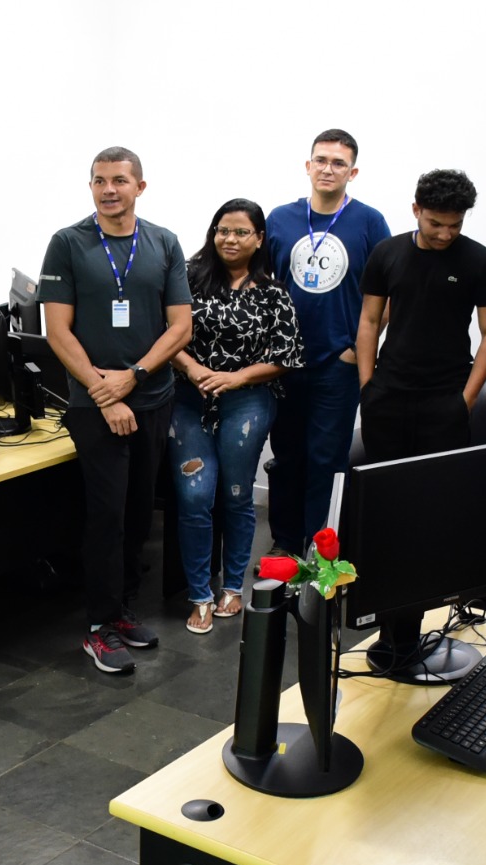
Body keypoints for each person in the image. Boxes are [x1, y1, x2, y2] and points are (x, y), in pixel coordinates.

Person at [39, 147, 192, 674]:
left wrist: (135, 377)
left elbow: (180, 327)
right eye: (100, 181)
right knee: (105, 514)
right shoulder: (68, 244)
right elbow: (56, 331)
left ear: (139, 187)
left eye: (120, 180)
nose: (109, 189)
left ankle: (123, 611)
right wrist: (106, 394)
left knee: (135, 512)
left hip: (152, 398)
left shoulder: (164, 243)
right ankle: (99, 626)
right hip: (94, 404)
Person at [169, 199, 303, 633]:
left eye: (241, 232)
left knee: (236, 494)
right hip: (189, 398)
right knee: (194, 496)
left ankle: (232, 587)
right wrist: (194, 370)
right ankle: (199, 594)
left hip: (247, 401)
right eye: (222, 230)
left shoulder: (272, 292)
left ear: (259, 239)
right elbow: (166, 333)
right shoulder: (187, 278)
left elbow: (286, 355)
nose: (230, 239)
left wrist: (235, 377)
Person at [264, 129, 391, 555]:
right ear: (308, 165)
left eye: (339, 163)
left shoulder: (370, 222)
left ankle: (321, 552)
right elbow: (261, 287)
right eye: (321, 160)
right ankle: (284, 543)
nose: (328, 169)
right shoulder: (280, 219)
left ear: (352, 172)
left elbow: (390, 291)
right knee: (286, 457)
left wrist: (358, 350)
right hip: (283, 364)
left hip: (337, 364)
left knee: (327, 460)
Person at [355, 168, 486, 462]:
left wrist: (466, 400)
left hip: (447, 395)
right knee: (383, 489)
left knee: (436, 494)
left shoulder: (481, 261)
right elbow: (370, 321)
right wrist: (366, 387)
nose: (445, 234)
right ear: (416, 210)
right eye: (435, 223)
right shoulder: (386, 253)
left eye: (455, 225)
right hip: (387, 394)